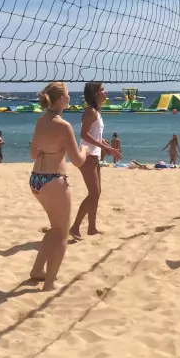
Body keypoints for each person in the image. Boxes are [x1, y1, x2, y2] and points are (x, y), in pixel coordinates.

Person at [29, 81, 88, 291]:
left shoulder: (40, 120)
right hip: (54, 180)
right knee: (62, 234)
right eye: (68, 95)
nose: (70, 98)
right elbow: (79, 161)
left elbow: (33, 154)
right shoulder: (63, 125)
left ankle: (37, 271)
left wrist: (52, 150)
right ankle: (49, 283)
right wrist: (85, 149)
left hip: (36, 179)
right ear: (61, 99)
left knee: (55, 228)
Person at [70, 82, 117, 239]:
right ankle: (75, 227)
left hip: (94, 155)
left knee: (97, 193)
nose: (105, 93)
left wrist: (103, 143)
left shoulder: (96, 111)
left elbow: (93, 134)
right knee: (93, 193)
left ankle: (91, 228)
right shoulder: (90, 111)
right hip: (87, 155)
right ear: (95, 94)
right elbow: (83, 134)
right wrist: (101, 146)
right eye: (102, 90)